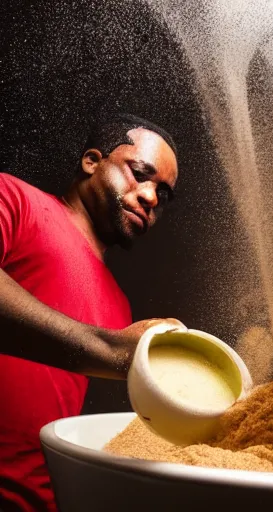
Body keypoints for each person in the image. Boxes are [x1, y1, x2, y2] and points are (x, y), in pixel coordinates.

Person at [0, 113, 184, 512]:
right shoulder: (14, 198)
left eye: (163, 194)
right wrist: (113, 351)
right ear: (91, 161)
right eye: (140, 173)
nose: (151, 197)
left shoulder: (120, 307)